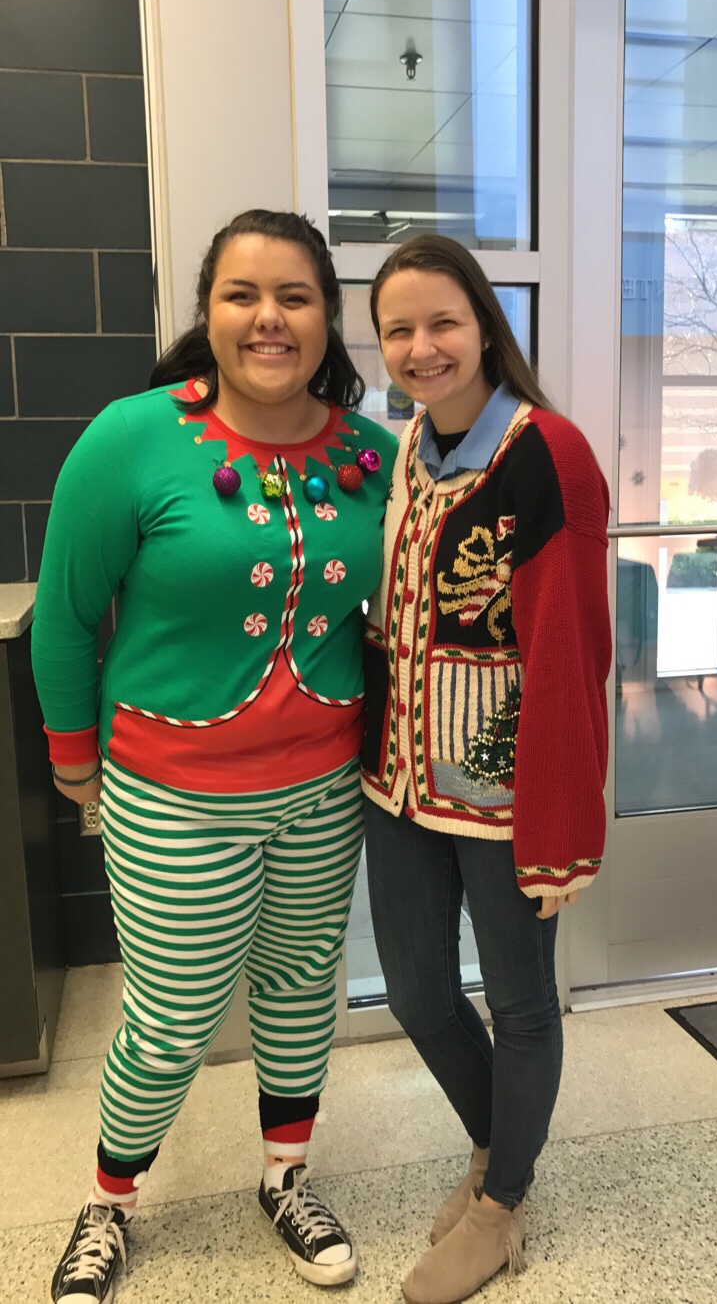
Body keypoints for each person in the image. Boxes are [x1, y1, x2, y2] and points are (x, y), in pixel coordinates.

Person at [31, 209, 398, 1301]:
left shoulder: (376, 454)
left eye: (294, 295)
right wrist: (73, 760)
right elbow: (64, 613)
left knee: (297, 990)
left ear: (329, 318)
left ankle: (286, 1175)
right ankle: (110, 1200)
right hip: (172, 790)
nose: (268, 317)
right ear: (209, 312)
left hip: (323, 786)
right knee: (176, 1010)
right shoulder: (131, 436)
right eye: (242, 294)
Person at [360, 235, 611, 1304]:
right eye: (399, 330)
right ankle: (492, 1143)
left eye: (442, 322)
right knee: (417, 991)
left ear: (485, 323)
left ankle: (503, 1199)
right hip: (402, 784)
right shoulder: (408, 450)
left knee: (519, 1000)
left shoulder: (546, 450)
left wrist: (564, 819)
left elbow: (572, 649)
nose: (423, 347)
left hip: (508, 795)